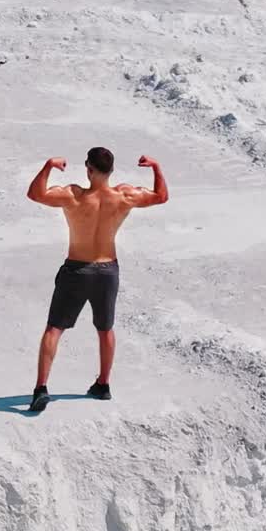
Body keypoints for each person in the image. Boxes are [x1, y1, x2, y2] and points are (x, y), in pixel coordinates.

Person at [25, 146, 168, 412]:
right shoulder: (124, 196)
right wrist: (156, 167)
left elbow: (35, 194)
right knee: (105, 330)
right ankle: (103, 384)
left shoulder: (74, 196)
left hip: (76, 270)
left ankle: (41, 389)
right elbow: (161, 196)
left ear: (89, 169)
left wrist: (48, 166)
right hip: (106, 271)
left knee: (54, 329)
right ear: (111, 171)